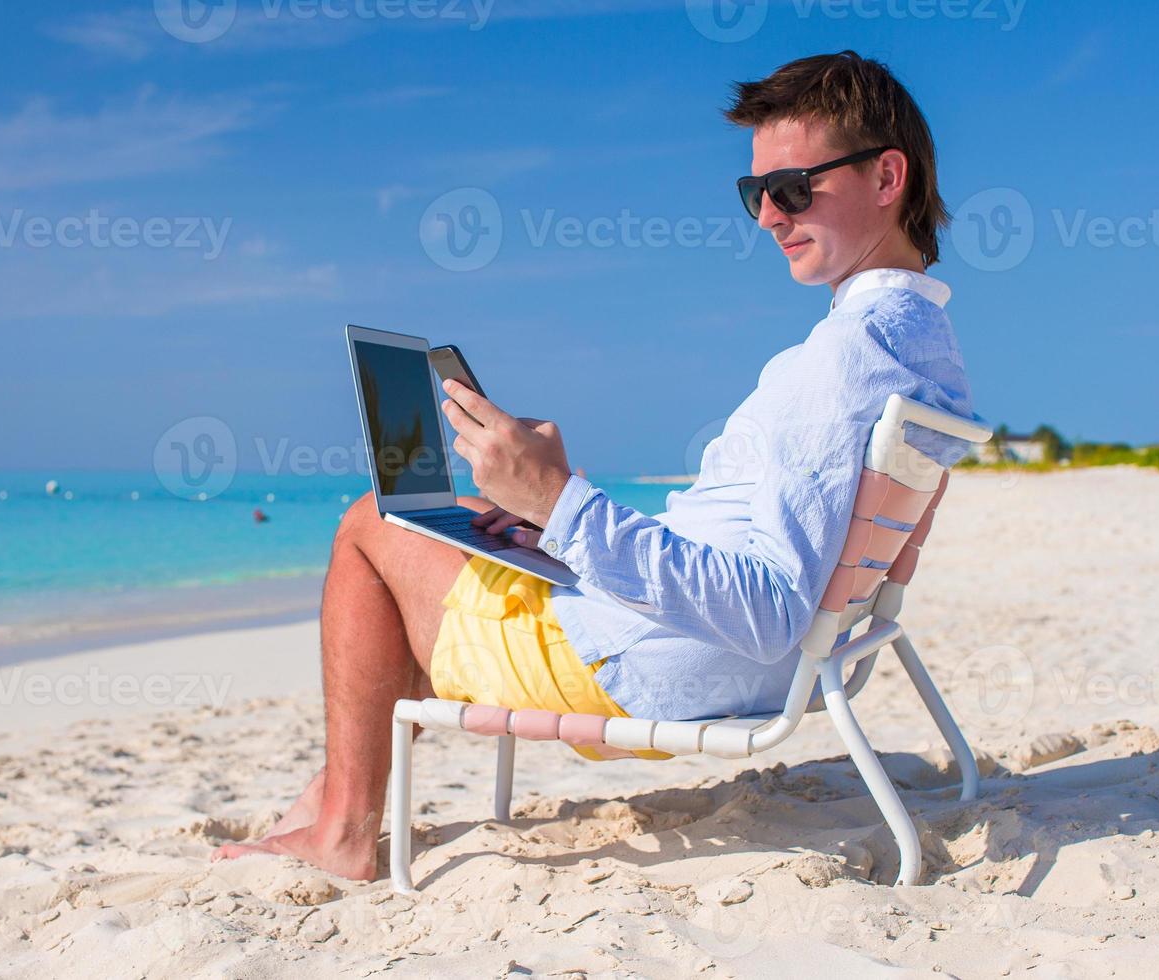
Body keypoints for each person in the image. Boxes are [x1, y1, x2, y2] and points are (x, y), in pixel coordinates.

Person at [213, 50, 977, 880]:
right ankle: (332, 792)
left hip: (653, 667)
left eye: (792, 188)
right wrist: (553, 519)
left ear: (886, 176)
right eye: (754, 193)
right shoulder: (921, 347)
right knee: (464, 527)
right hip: (755, 662)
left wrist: (561, 500)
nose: (767, 215)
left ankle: (340, 828)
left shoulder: (842, 359)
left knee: (372, 525)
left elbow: (769, 614)